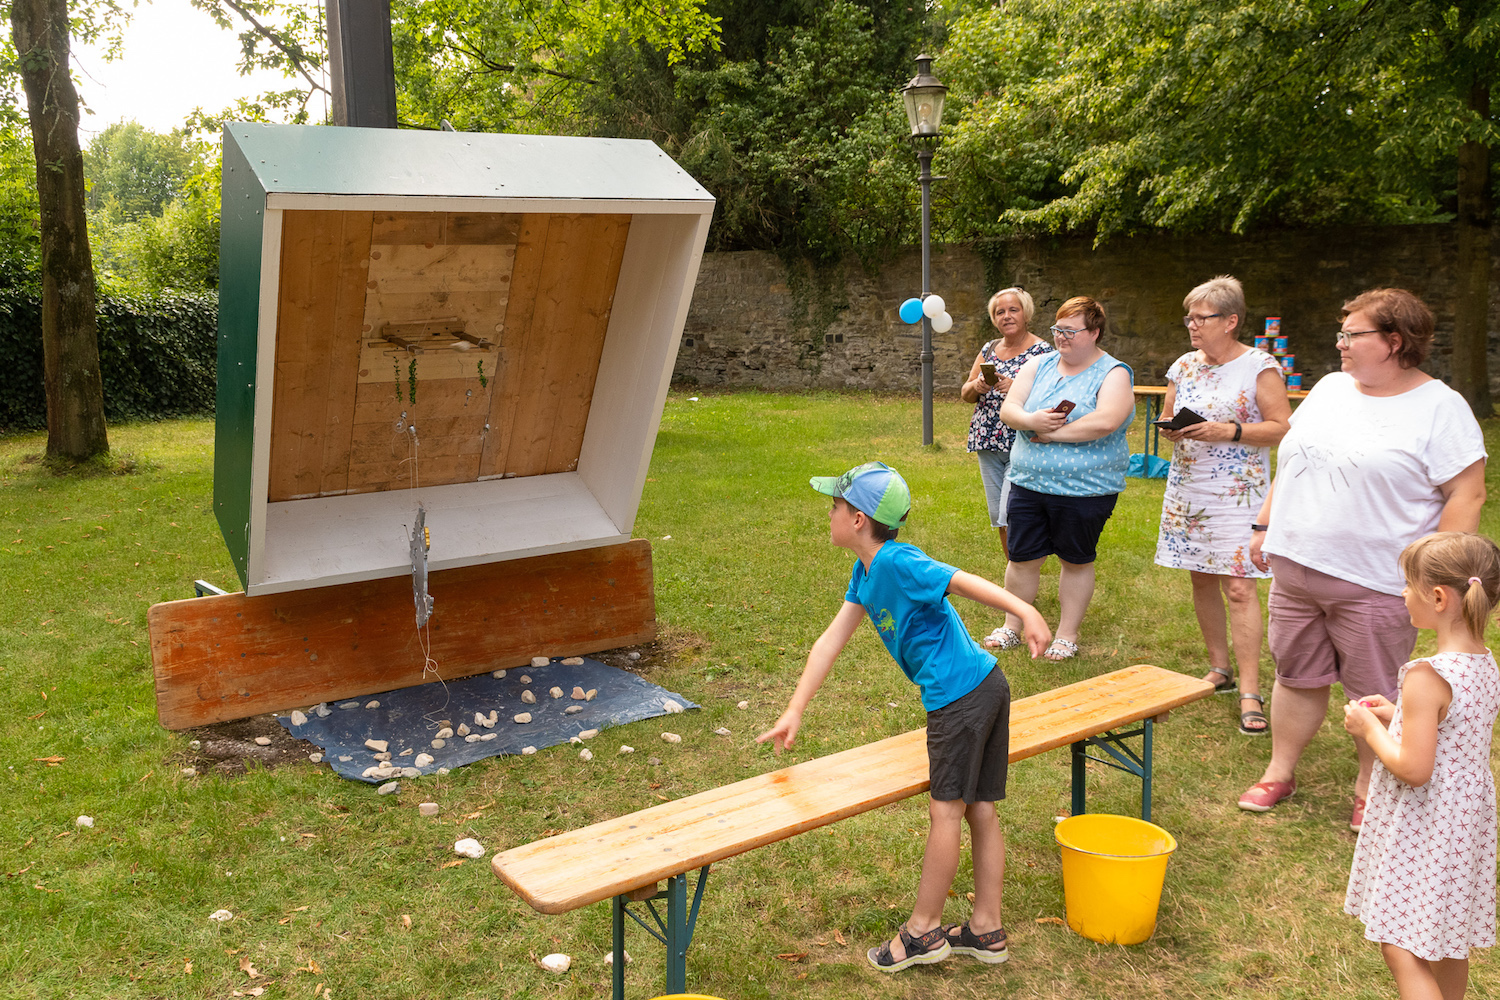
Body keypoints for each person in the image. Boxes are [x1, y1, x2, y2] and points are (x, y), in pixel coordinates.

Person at [756, 461, 1051, 973]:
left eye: (835, 505)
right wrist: (794, 709)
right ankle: (986, 928)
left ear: (857, 519)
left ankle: (922, 932)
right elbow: (830, 641)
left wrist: (1025, 612)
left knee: (946, 811)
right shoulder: (866, 571)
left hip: (959, 698)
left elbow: (961, 581)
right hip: (983, 686)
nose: (829, 513)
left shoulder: (898, 561)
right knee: (979, 807)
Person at [1238, 288, 1487, 831]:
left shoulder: (1441, 408)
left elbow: (1467, 493)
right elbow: (1295, 462)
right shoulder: (1329, 388)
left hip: (1378, 580)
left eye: (1353, 334)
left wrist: (1430, 572)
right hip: (1296, 566)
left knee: (1374, 689)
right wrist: (1264, 524)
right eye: (1342, 332)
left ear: (1395, 341)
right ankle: (1280, 771)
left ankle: (1370, 787)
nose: (1340, 343)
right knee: (1296, 674)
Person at [1342, 531, 1500, 1000]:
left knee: (1402, 947)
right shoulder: (1484, 663)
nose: (1403, 594)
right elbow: (1455, 729)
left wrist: (1369, 731)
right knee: (1448, 944)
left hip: (1425, 825)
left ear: (1438, 597)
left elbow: (1415, 769)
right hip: (1462, 826)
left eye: (1408, 585)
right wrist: (1398, 716)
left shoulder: (1427, 675)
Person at [1154, 276, 1290, 735]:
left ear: (1230, 321)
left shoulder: (1259, 366)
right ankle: (1220, 668)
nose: (1192, 325)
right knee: (1201, 577)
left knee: (1240, 588)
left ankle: (1251, 690)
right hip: (1190, 489)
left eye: (1201, 318)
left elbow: (1281, 427)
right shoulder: (1183, 366)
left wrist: (1227, 431)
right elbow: (1168, 416)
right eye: (1189, 318)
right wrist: (1172, 429)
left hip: (1238, 493)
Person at [991, 296, 1135, 661]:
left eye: (1071, 331)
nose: (1061, 337)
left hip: (1085, 490)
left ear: (1095, 332)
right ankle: (1012, 626)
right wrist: (1031, 421)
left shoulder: (1114, 373)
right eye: (1058, 329)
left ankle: (1067, 635)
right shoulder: (1038, 364)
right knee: (1022, 558)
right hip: (1028, 482)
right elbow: (1010, 409)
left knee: (1075, 560)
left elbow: (1106, 421)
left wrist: (1050, 434)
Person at [961, 287, 1054, 584]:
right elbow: (965, 393)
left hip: (1022, 443)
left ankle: (1021, 576)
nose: (1007, 316)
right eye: (1000, 312)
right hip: (987, 442)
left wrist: (1018, 386)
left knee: (1011, 512)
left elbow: (1053, 396)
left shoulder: (1043, 352)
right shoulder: (989, 349)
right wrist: (977, 386)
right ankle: (1017, 579)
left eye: (1013, 310)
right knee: (999, 518)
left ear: (1026, 314)